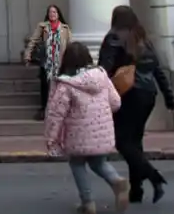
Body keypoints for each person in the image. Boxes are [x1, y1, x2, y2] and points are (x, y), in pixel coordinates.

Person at [100, 5, 174, 204]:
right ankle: (136, 190)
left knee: (121, 141)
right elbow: (158, 71)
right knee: (135, 141)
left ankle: (153, 176)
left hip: (128, 94)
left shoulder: (114, 37)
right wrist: (170, 100)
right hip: (148, 94)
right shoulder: (143, 38)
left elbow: (104, 69)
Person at [45, 41, 130, 214]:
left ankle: (88, 203)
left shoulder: (66, 85)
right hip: (102, 134)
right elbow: (116, 103)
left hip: (77, 135)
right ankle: (116, 181)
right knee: (99, 162)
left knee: (77, 164)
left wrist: (51, 138)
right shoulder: (102, 76)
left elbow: (56, 115)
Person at [23, 3, 72, 119]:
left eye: (54, 12)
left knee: (60, 86)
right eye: (50, 12)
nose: (52, 14)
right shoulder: (43, 26)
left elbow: (70, 44)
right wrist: (28, 54)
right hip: (47, 61)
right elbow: (33, 40)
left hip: (60, 61)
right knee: (45, 85)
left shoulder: (65, 28)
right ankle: (44, 109)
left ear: (58, 14)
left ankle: (59, 110)